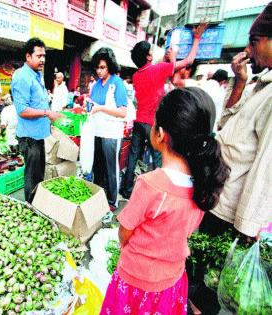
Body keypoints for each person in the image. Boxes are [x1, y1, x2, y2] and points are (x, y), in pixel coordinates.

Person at [101, 87, 229, 315]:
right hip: (172, 280)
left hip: (135, 280)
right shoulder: (202, 182)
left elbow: (125, 232)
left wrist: (125, 244)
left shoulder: (150, 184)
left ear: (160, 134)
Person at [190, 5, 272, 314]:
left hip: (231, 212)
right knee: (197, 271)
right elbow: (225, 124)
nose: (249, 50)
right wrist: (239, 82)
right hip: (217, 195)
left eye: (256, 41)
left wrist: (246, 228)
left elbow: (267, 167)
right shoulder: (258, 83)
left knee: (210, 284)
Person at [119, 23, 208, 199]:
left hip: (139, 122)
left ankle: (126, 189)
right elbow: (188, 61)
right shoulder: (158, 70)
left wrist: (168, 61)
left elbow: (156, 72)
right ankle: (156, 194)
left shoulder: (137, 75)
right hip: (154, 125)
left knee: (133, 158)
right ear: (149, 56)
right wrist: (194, 40)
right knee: (158, 161)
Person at [11, 37, 62, 203]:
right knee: (32, 177)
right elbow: (23, 110)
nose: (42, 60)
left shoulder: (36, 74)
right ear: (28, 56)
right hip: (29, 137)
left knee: (39, 173)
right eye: (39, 56)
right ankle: (31, 207)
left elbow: (37, 101)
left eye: (44, 56)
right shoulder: (21, 77)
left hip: (38, 135)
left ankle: (37, 204)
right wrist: (47, 113)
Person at [87, 47, 128, 210]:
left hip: (112, 133)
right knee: (97, 167)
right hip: (97, 131)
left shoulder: (117, 84)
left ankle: (112, 201)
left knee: (111, 169)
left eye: (102, 67)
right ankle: (97, 196)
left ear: (110, 66)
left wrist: (101, 108)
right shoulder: (95, 85)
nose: (99, 70)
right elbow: (93, 106)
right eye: (97, 67)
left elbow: (123, 112)